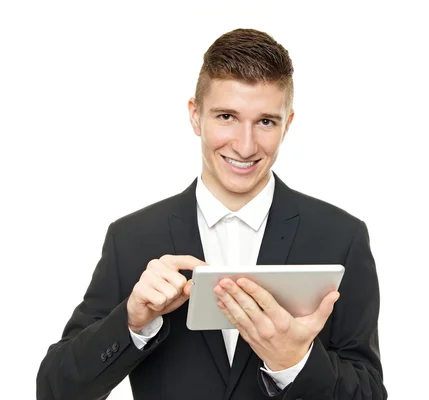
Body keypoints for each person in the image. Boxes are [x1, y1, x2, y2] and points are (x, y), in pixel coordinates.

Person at [36, 28, 387, 400]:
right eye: (226, 116)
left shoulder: (341, 237)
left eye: (265, 121)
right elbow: (56, 389)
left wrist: (295, 362)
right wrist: (131, 322)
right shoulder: (132, 238)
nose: (245, 144)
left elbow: (369, 392)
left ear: (287, 125)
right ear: (195, 115)